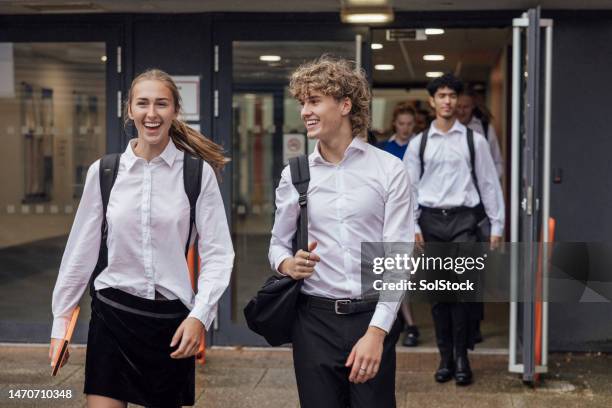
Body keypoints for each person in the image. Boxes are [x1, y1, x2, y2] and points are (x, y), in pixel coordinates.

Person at [49, 69, 235, 408]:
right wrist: (61, 322)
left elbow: (219, 253)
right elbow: (80, 251)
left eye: (161, 104)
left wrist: (200, 316)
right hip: (112, 313)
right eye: (143, 104)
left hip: (170, 323)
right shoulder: (104, 172)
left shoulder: (196, 174)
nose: (152, 114)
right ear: (129, 110)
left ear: (175, 111)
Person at [269, 56, 414, 408]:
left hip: (371, 316)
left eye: (315, 101)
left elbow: (398, 259)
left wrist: (377, 333)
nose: (305, 111)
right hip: (313, 322)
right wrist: (287, 265)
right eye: (302, 102)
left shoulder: (389, 170)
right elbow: (277, 244)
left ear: (345, 105)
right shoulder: (296, 173)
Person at [403, 73, 504, 386]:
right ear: (432, 101)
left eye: (452, 96)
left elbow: (489, 184)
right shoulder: (419, 144)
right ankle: (444, 357)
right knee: (438, 296)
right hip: (431, 224)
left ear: (458, 101)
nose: (447, 101)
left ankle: (462, 358)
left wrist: (497, 224)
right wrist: (413, 226)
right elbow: (410, 189)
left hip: (464, 222)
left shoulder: (475, 141)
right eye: (441, 95)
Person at [456, 92, 504, 178]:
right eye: (458, 107)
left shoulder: (486, 128)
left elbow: (497, 162)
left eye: (465, 107)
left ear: (473, 106)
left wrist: (490, 183)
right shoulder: (447, 129)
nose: (461, 111)